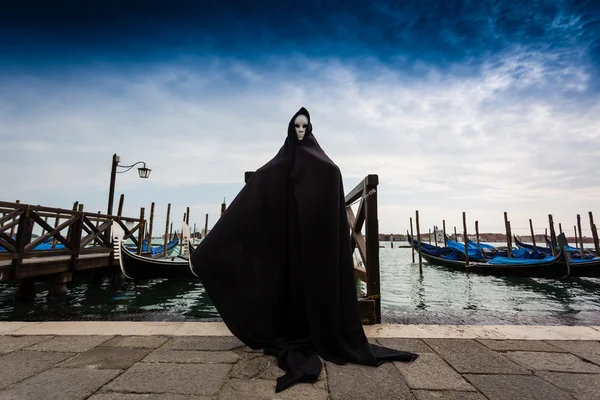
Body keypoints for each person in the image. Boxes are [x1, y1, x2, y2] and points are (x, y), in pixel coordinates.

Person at [191, 107, 418, 392]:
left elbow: (331, 194)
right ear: (290, 129)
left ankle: (317, 329)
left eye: (304, 127)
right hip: (287, 252)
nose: (300, 131)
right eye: (296, 126)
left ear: (309, 129)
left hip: (315, 253)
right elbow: (253, 197)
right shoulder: (276, 167)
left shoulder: (326, 167)